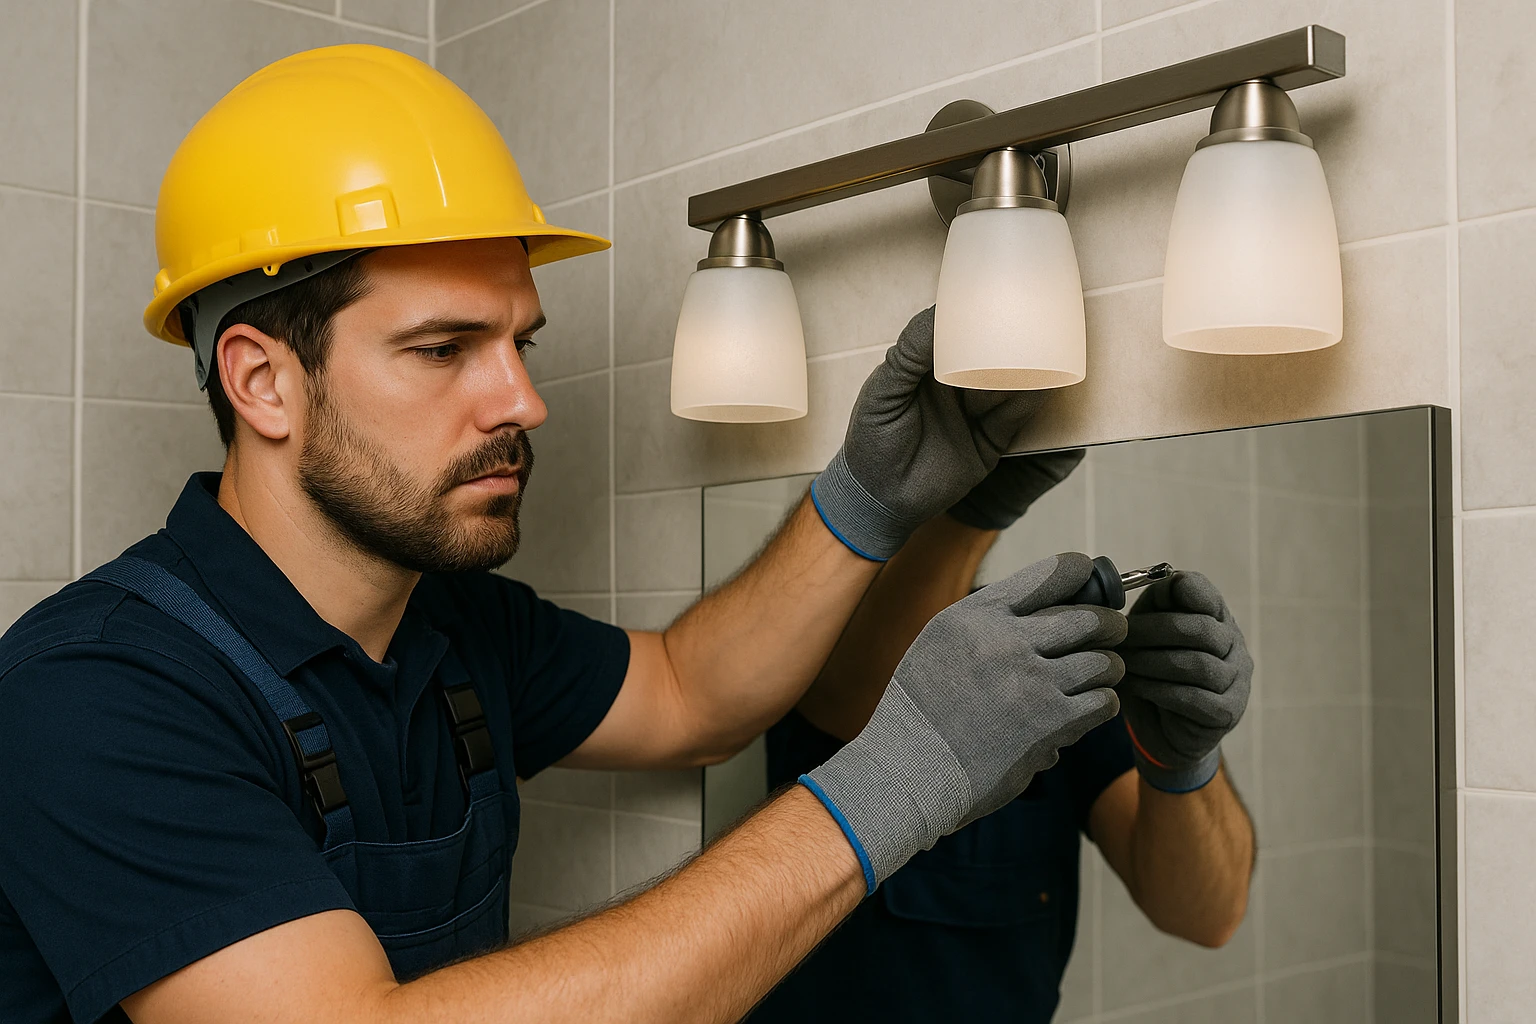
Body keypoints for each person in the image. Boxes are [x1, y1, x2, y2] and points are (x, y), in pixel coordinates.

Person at [0, 45, 1231, 1024]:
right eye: (442, 350)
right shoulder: (97, 693)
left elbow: (693, 690)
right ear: (262, 383)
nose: (522, 402)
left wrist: (871, 500)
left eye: (518, 343)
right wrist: (901, 777)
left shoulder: (452, 625)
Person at [750, 454, 1256, 1022]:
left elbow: (1206, 916)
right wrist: (971, 511)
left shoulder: (1049, 664)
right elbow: (855, 692)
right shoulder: (814, 648)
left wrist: (1181, 762)